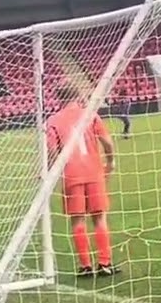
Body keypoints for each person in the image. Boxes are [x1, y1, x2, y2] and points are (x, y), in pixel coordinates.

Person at [45, 90, 119, 276]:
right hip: (94, 172)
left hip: (71, 175)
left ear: (59, 99)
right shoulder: (90, 115)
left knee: (78, 220)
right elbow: (107, 143)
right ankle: (104, 263)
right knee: (99, 218)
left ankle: (85, 266)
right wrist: (110, 161)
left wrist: (51, 172)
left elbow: (53, 152)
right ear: (78, 98)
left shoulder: (53, 121)